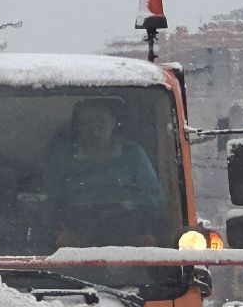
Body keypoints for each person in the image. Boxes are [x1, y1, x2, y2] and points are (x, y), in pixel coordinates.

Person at [45, 98, 166, 246]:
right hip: (77, 234)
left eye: (101, 121)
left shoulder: (133, 153)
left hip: (129, 233)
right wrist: (61, 230)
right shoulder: (63, 157)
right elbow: (49, 198)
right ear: (78, 127)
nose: (94, 129)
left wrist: (146, 229)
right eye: (87, 123)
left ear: (113, 122)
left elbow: (155, 197)